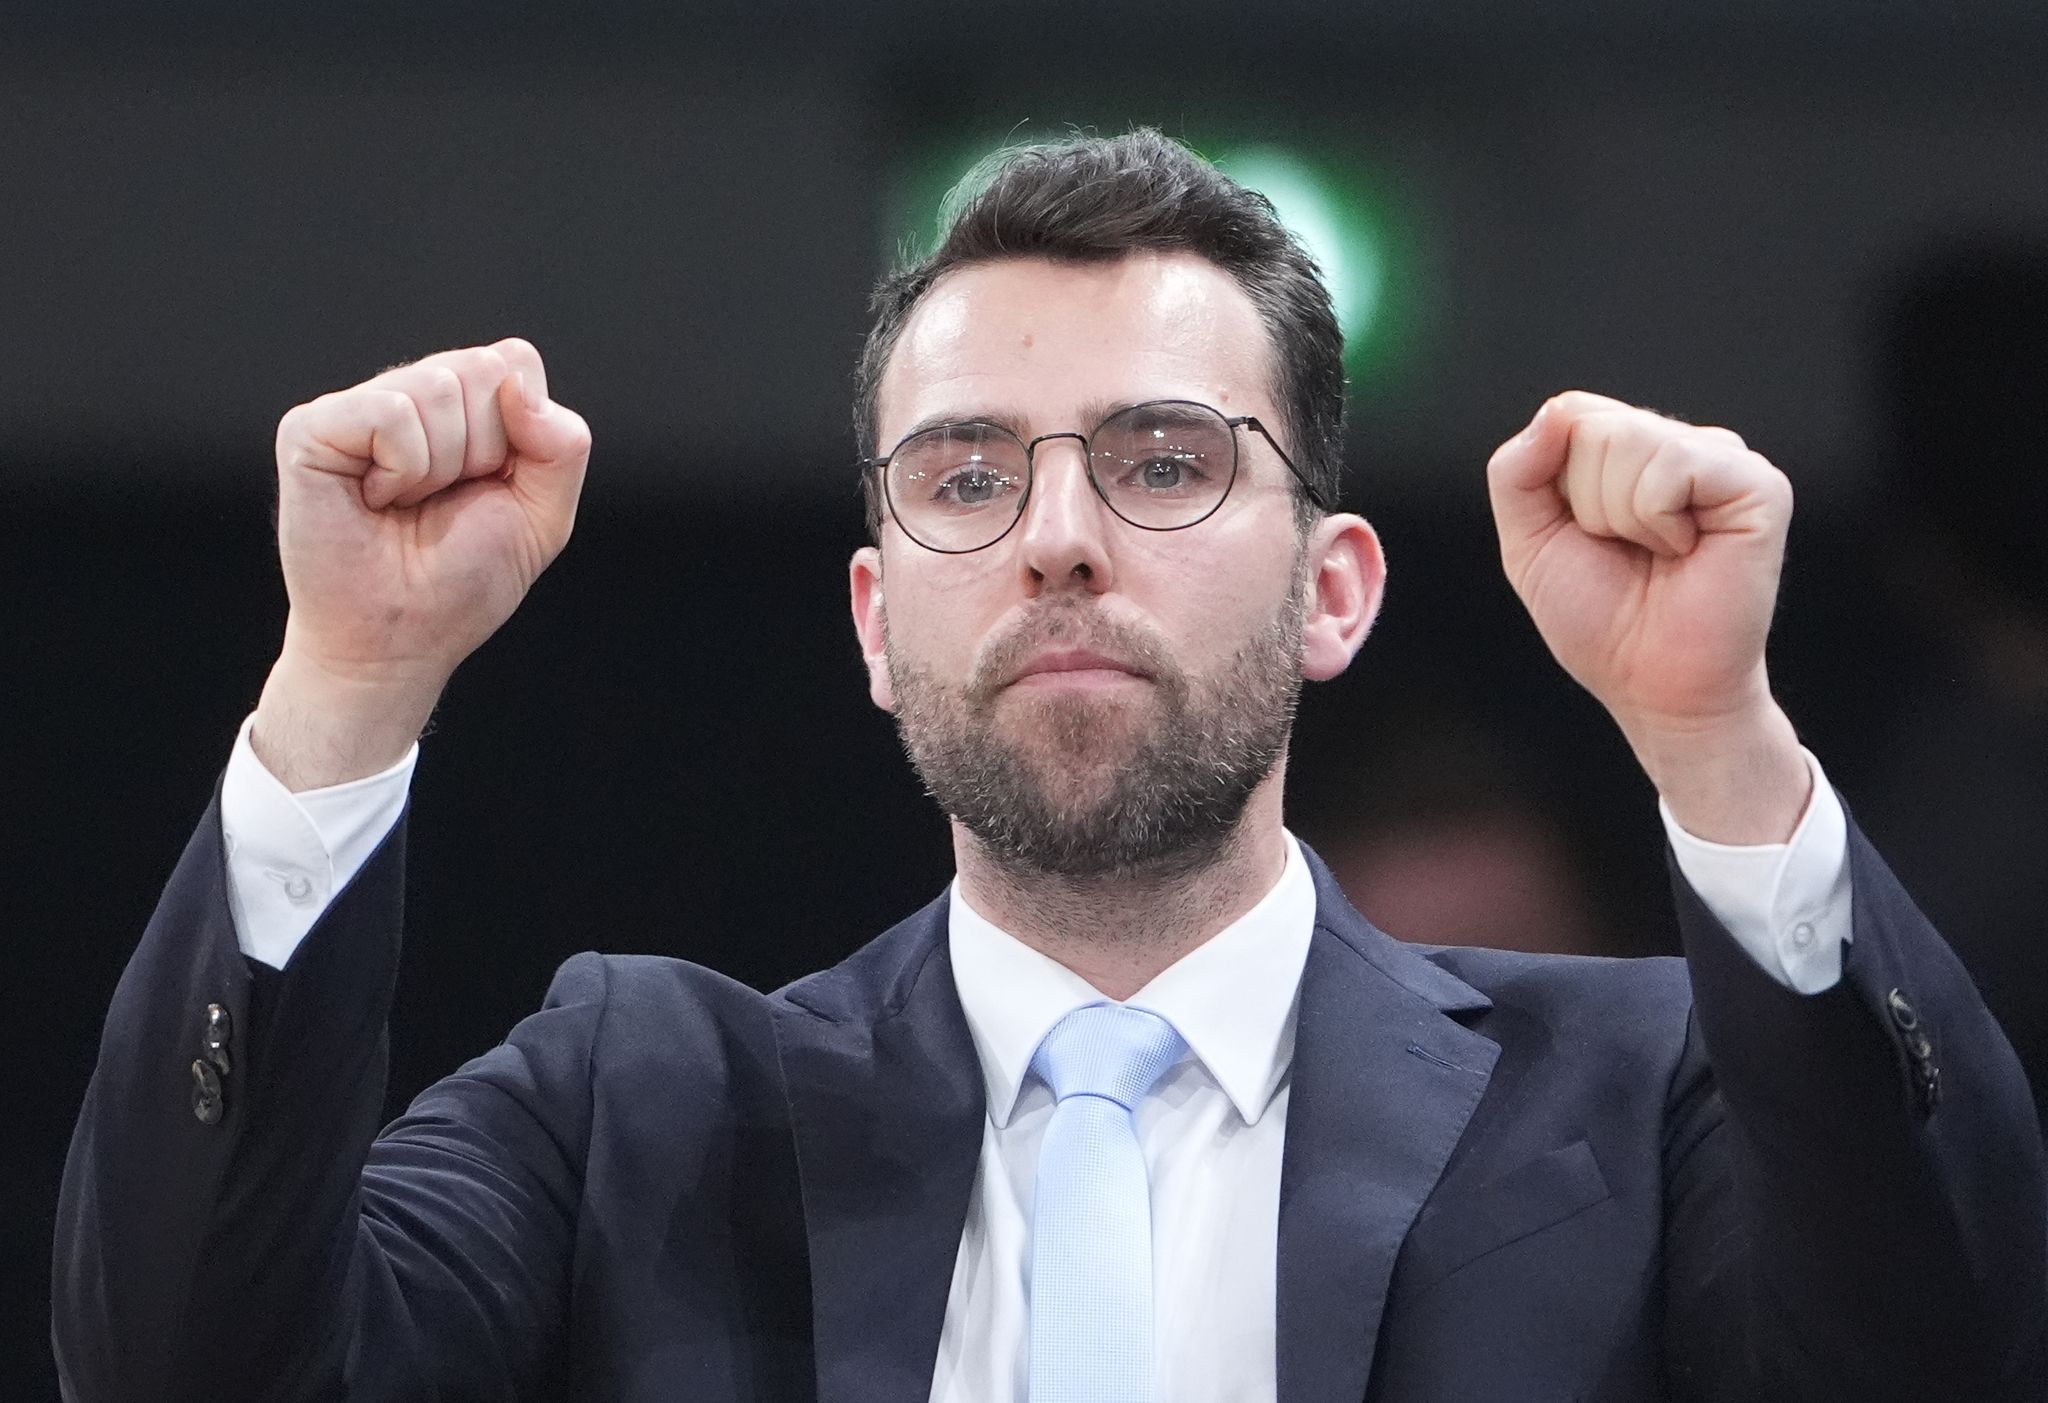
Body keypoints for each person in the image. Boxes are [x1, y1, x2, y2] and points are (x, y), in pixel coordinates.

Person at [53, 130, 2043, 1402]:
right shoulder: (631, 1111)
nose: (1060, 538)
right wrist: (348, 684)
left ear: (1334, 588)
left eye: (1164, 462)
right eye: (965, 477)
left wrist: (1716, 739)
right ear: (871, 621)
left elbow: (1947, 1338)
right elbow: (181, 1368)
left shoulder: (1639, 1095)